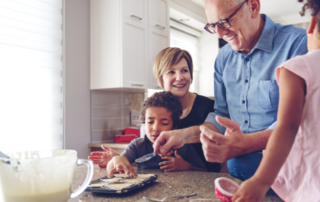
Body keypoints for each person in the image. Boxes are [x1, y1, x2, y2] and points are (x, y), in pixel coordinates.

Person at [153, 0, 308, 183]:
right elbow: (221, 116)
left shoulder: (298, 45)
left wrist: (245, 145)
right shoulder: (223, 59)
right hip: (238, 178)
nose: (219, 33)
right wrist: (183, 135)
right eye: (213, 26)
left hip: (291, 178)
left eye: (225, 21)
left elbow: (305, 124)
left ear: (253, 6)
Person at [232, 1, 320, 201]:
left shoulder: (299, 67)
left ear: (312, 23)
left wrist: (261, 181)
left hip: (309, 183)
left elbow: (287, 127)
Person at [90, 47, 221, 172]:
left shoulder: (210, 107)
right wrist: (120, 159)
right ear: (160, 79)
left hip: (210, 178)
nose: (180, 77)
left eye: (184, 70)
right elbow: (152, 159)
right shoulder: (154, 111)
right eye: (171, 72)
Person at [107, 91, 206, 177]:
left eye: (164, 123)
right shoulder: (137, 146)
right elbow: (110, 169)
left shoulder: (183, 146)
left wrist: (185, 166)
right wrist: (117, 159)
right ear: (144, 124)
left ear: (174, 126)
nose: (155, 128)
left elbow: (204, 172)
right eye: (150, 122)